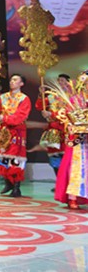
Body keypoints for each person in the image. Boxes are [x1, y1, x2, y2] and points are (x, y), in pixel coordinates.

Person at [0, 74, 31, 197]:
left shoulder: (24, 99)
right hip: (5, 131)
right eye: (11, 79)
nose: (12, 81)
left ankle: (16, 187)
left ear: (21, 84)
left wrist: (4, 118)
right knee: (3, 156)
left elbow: (20, 116)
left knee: (16, 158)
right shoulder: (3, 97)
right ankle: (8, 183)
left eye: (15, 80)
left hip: (17, 131)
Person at [54, 72, 88, 210]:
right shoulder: (75, 100)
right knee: (76, 166)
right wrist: (73, 126)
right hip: (78, 138)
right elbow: (65, 116)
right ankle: (73, 197)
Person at [38, 74, 70, 180]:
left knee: (66, 157)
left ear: (68, 83)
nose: (60, 82)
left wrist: (51, 114)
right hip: (54, 130)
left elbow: (68, 113)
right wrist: (41, 94)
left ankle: (67, 183)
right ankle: (59, 181)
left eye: (63, 81)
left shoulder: (70, 97)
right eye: (59, 80)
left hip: (66, 130)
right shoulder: (52, 96)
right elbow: (40, 106)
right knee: (54, 157)